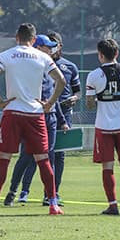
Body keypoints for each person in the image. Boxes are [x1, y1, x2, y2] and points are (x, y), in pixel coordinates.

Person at [0, 23, 66, 216]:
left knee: (4, 158)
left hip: (12, 112)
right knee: (43, 159)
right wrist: (49, 103)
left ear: (16, 37)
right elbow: (60, 80)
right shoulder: (43, 57)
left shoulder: (6, 55)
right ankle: (53, 204)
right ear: (34, 38)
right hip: (35, 113)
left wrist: (0, 100)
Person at [3, 34, 68, 206]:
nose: (51, 49)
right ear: (38, 47)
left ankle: (50, 196)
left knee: (49, 156)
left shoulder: (50, 65)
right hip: (32, 115)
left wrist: (61, 118)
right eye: (48, 46)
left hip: (50, 116)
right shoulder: (33, 63)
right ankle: (13, 191)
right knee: (25, 156)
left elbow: (55, 95)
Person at [86, 38, 120, 215]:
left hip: (104, 126)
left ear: (100, 55)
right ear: (117, 53)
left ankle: (113, 205)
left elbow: (89, 104)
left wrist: (101, 99)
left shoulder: (93, 75)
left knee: (107, 166)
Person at [47, 30, 80, 199]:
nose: (51, 47)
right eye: (48, 43)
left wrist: (74, 98)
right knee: (40, 154)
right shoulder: (40, 63)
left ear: (60, 46)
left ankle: (54, 192)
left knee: (60, 154)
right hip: (45, 113)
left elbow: (78, 91)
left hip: (64, 115)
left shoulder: (70, 66)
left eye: (54, 43)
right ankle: (23, 190)